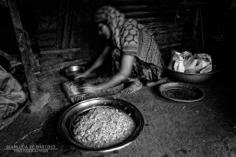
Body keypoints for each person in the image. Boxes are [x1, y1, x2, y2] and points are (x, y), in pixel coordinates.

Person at [75, 6, 164, 94]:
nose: (99, 32)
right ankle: (134, 79)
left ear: (109, 23)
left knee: (117, 54)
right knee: (115, 52)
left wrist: (95, 88)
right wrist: (87, 72)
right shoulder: (115, 32)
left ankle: (137, 83)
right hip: (141, 66)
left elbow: (124, 73)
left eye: (100, 28)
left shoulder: (129, 33)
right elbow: (103, 56)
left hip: (152, 70)